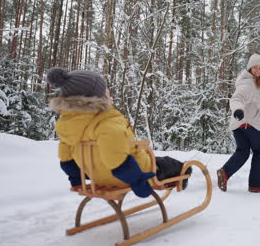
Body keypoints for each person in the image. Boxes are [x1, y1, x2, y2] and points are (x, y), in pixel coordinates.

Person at [47, 67, 191, 198]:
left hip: (97, 175)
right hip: (132, 174)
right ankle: (184, 176)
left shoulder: (66, 125)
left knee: (155, 159)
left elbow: (66, 160)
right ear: (97, 97)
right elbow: (117, 161)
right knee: (171, 164)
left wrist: (77, 180)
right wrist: (138, 182)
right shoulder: (106, 122)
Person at [217, 54, 260, 193]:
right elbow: (236, 98)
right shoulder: (248, 84)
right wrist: (238, 109)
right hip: (250, 124)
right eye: (255, 67)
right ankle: (255, 185)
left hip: (239, 125)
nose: (258, 70)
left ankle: (224, 173)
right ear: (250, 68)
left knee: (243, 152)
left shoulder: (253, 84)